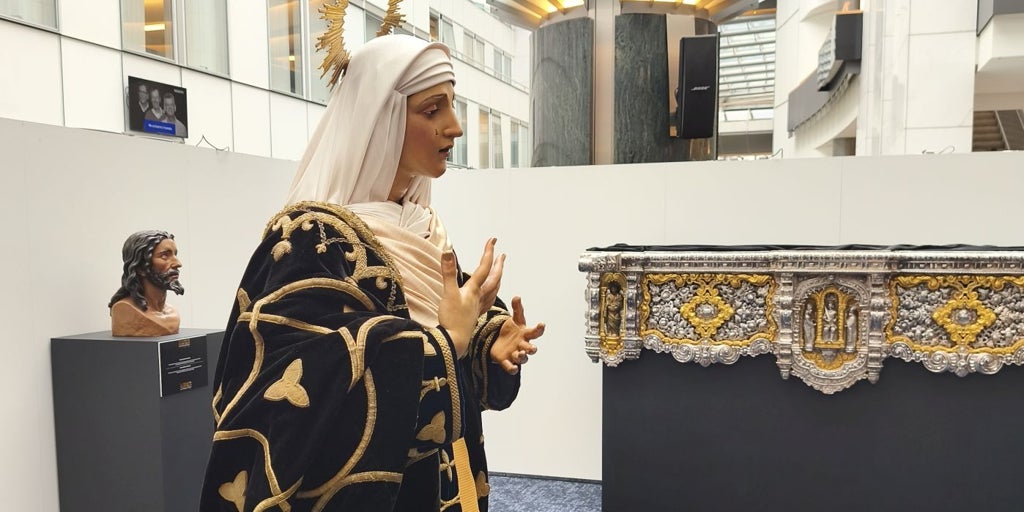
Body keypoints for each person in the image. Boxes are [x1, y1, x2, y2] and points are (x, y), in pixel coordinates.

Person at [200, 34, 544, 512]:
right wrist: (448, 342)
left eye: (452, 105)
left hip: (449, 472)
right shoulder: (309, 239)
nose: (455, 126)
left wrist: (488, 340)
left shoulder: (420, 225)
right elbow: (288, 385)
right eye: (432, 110)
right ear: (381, 118)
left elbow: (448, 324)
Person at [108, 230, 184, 336]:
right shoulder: (125, 310)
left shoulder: (172, 312)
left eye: (175, 255)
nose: (178, 264)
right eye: (164, 256)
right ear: (140, 267)